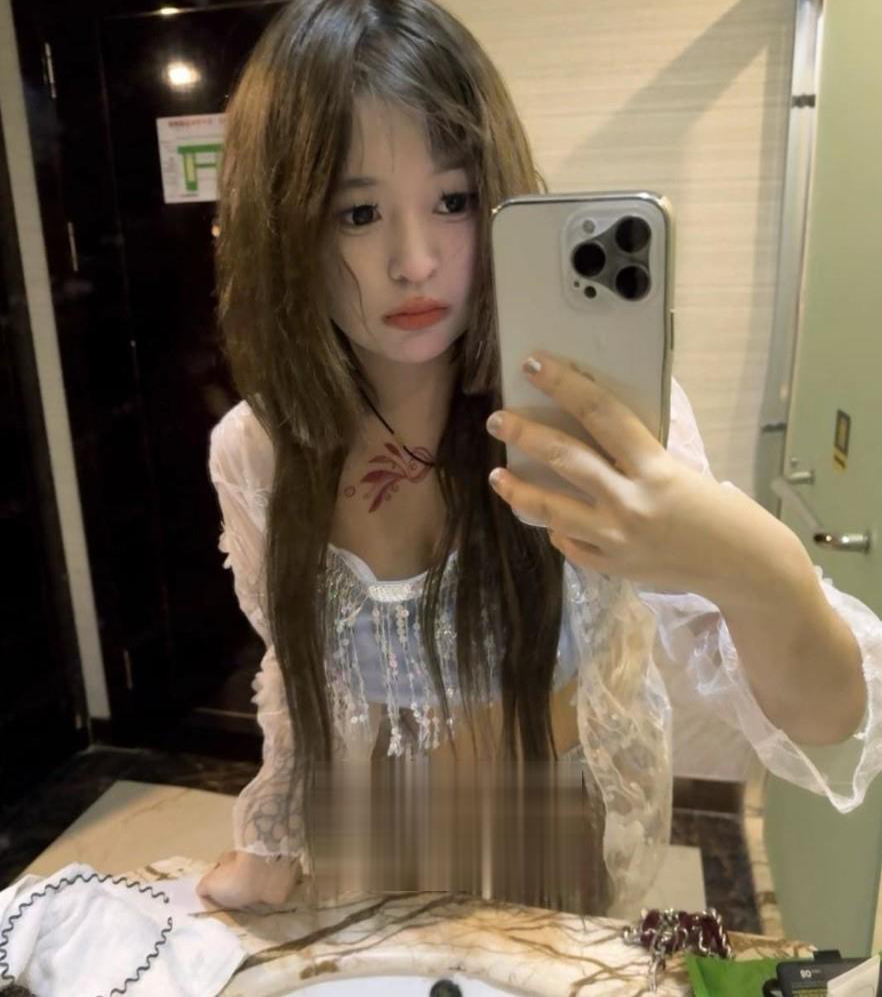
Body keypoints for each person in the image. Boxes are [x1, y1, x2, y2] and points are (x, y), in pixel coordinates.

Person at [195, 0, 880, 918]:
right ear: (283, 230)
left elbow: (831, 716)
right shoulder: (257, 451)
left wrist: (744, 559)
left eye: (452, 200)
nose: (415, 260)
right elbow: (295, 672)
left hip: (552, 833)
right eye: (358, 212)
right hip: (373, 840)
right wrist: (271, 843)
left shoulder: (593, 421)